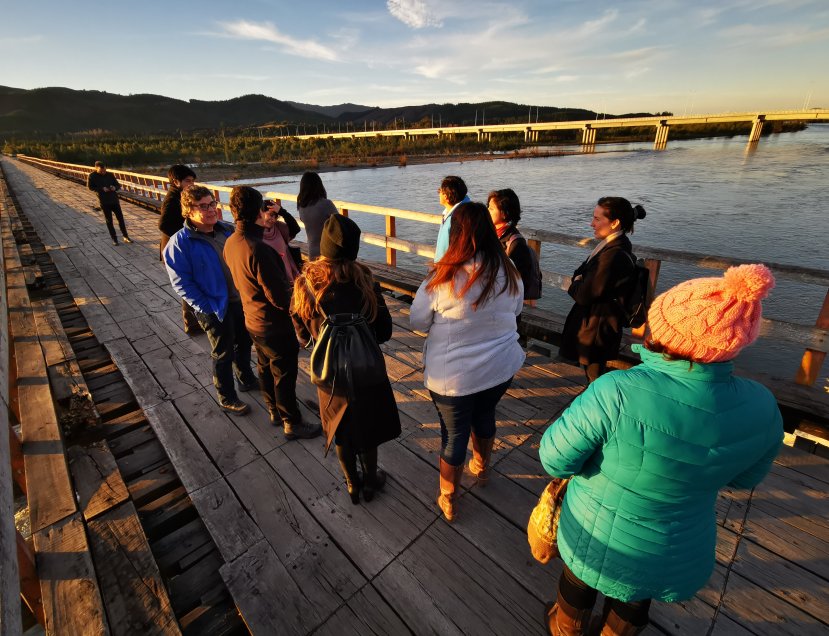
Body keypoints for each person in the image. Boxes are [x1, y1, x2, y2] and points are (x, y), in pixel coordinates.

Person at [539, 264, 783, 636]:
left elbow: (554, 458)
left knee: (580, 578)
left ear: (666, 331)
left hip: (595, 529)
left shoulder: (616, 390)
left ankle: (565, 628)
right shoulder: (762, 406)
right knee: (637, 597)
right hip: (678, 546)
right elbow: (745, 479)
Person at [410, 202, 525, 522]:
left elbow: (418, 321)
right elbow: (516, 311)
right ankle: (482, 468)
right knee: (485, 414)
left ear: (455, 235)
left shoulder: (442, 277)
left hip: (453, 379)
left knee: (454, 434)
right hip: (500, 368)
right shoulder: (509, 269)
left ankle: (449, 497)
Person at [292, 214, 401, 503]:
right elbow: (384, 332)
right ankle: (370, 481)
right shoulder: (366, 283)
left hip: (329, 374)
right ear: (354, 249)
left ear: (324, 247)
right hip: (366, 372)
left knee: (339, 428)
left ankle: (352, 484)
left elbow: (301, 331)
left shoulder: (305, 284)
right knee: (368, 428)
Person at [223, 186, 321, 440]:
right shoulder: (258, 249)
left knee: (265, 367)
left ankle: (274, 411)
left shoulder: (231, 242)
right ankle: (292, 422)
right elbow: (279, 298)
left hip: (252, 319)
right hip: (273, 325)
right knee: (285, 374)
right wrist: (302, 309)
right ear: (259, 211)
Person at [163, 186, 257, 415]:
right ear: (188, 210)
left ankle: (246, 379)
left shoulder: (227, 230)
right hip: (214, 307)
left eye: (212, 204)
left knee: (244, 342)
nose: (211, 210)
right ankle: (227, 397)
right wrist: (206, 307)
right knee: (223, 352)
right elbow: (182, 284)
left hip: (239, 300)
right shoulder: (179, 243)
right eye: (203, 206)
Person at [559, 197, 646, 383]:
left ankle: (598, 402)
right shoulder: (610, 246)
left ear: (614, 223)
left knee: (594, 377)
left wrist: (576, 283)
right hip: (596, 323)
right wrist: (579, 280)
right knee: (593, 375)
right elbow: (579, 273)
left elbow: (583, 295)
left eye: (597, 219)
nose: (592, 223)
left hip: (597, 328)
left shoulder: (613, 254)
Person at [159, 164, 201, 334]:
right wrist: (183, 236)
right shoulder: (173, 199)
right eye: (188, 181)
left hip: (178, 249)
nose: (192, 184)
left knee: (191, 282)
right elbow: (163, 225)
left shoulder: (181, 195)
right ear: (176, 182)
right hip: (176, 250)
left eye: (193, 181)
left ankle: (193, 321)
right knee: (188, 284)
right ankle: (191, 324)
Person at [487, 188, 542, 303]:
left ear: (504, 213)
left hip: (505, 304)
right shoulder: (491, 234)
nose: (487, 211)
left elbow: (518, 283)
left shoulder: (516, 243)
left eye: (491, 208)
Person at [86, 161, 132, 246]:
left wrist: (114, 187)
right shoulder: (92, 176)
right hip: (104, 201)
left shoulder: (110, 175)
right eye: (101, 171)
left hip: (114, 200)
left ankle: (126, 236)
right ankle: (114, 239)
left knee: (121, 219)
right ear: (96, 168)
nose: (103, 172)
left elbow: (118, 185)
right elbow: (90, 187)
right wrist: (101, 189)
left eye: (104, 170)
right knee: (109, 221)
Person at [258, 198, 302, 284]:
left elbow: (295, 229)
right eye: (271, 215)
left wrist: (282, 212)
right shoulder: (255, 233)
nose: (273, 219)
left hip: (289, 277)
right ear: (261, 213)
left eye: (276, 216)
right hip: (272, 279)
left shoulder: (278, 227)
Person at [296, 171, 338, 260]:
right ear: (319, 185)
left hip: (312, 252)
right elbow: (341, 224)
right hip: (328, 254)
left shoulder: (301, 207)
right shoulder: (326, 204)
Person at [434, 175, 470, 262]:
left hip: (450, 267)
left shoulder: (460, 218)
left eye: (440, 191)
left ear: (446, 196)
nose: (438, 193)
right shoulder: (450, 213)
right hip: (443, 266)